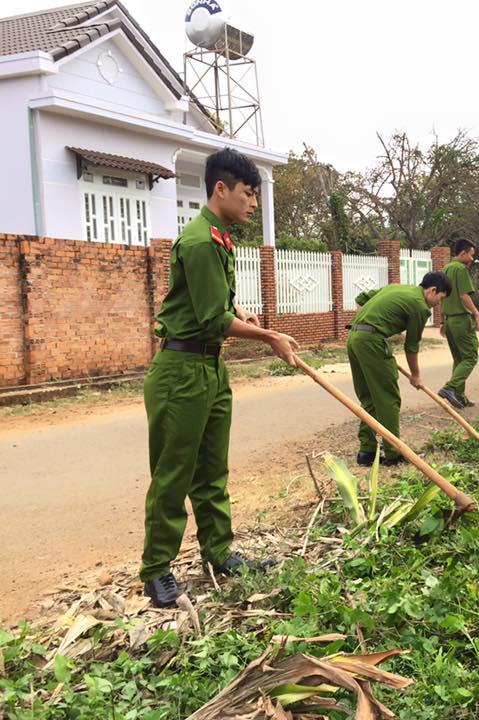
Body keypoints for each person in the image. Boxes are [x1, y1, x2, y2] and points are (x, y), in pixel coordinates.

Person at [141, 148, 300, 608]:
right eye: (248, 194)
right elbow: (211, 318)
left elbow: (213, 306)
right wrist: (269, 336)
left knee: (212, 469)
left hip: (209, 366)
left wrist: (240, 311)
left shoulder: (220, 237)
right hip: (181, 371)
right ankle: (156, 569)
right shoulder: (198, 242)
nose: (253, 203)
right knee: (174, 473)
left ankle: (218, 552)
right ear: (220, 189)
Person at [349, 273, 451, 466]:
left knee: (370, 397)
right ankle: (393, 453)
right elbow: (411, 346)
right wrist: (416, 376)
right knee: (388, 398)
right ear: (433, 290)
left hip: (354, 337)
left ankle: (367, 452)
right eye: (441, 299)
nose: (439, 304)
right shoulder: (420, 307)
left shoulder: (397, 288)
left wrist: (365, 324)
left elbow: (361, 298)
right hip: (372, 342)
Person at [437, 237, 479, 409]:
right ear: (463, 253)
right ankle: (449, 388)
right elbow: (464, 295)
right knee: (470, 357)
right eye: (471, 255)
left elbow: (441, 297)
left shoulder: (445, 268)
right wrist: (477, 315)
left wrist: (442, 320)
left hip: (449, 321)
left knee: (459, 359)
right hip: (461, 320)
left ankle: (459, 396)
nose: (472, 259)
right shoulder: (460, 269)